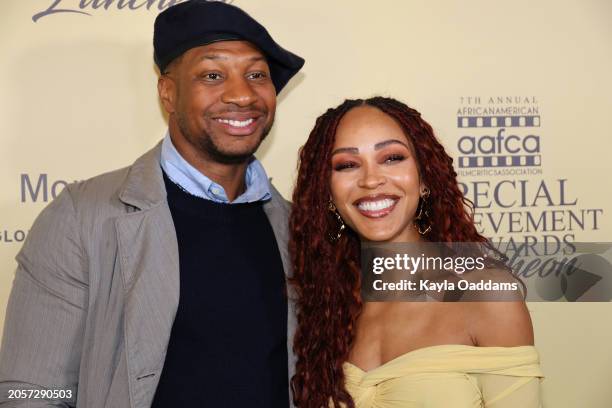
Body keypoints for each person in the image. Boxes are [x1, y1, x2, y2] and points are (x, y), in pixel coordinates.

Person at [0, 1, 304, 407]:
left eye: (256, 75)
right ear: (167, 92)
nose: (241, 94)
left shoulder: (296, 228)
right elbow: (31, 391)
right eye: (212, 75)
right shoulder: (83, 216)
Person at [289, 97, 544, 407]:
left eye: (392, 158)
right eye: (347, 165)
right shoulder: (324, 307)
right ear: (327, 192)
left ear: (424, 179)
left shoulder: (488, 296)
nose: (371, 180)